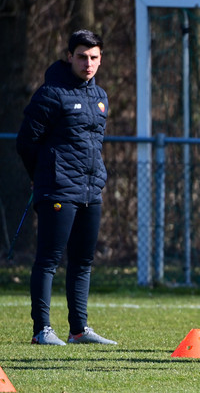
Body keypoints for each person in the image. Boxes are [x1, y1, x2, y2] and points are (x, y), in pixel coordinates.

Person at [16, 30, 116, 346]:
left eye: (94, 57)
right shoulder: (50, 94)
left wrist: (96, 177)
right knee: (48, 260)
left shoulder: (100, 96)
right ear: (69, 56)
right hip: (57, 189)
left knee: (83, 261)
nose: (88, 63)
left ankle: (79, 330)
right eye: (82, 56)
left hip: (90, 190)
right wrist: (42, 175)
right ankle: (42, 330)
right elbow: (26, 141)